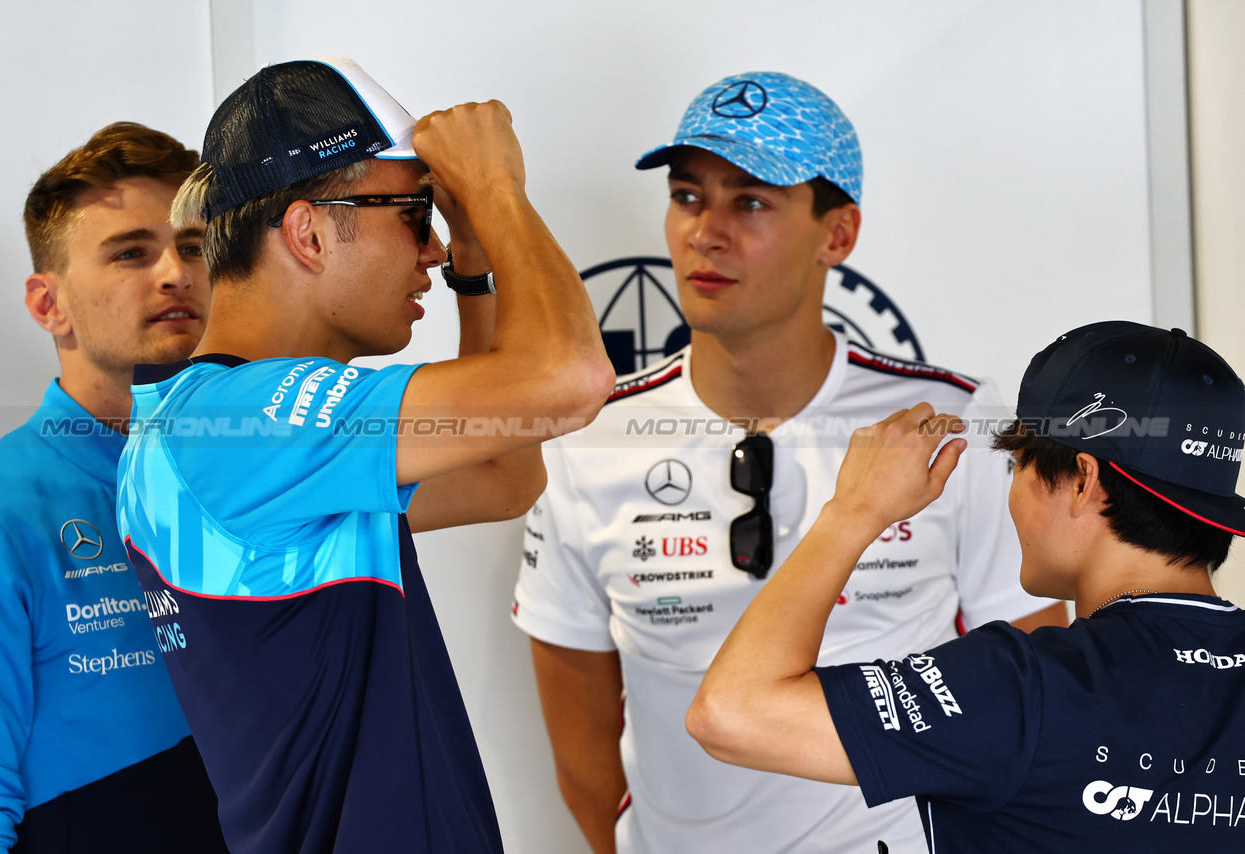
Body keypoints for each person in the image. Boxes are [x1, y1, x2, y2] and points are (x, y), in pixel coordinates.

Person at [512, 71, 1066, 854]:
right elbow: (582, 753)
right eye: (688, 195)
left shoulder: (954, 423)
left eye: (751, 201)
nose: (706, 231)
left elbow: (1030, 695)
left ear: (837, 235)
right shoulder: (587, 439)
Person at [115, 58, 613, 854]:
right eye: (415, 216)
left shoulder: (222, 425)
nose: (432, 250)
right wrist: (496, 190)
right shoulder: (240, 422)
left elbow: (503, 477)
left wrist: (476, 266)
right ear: (308, 233)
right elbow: (572, 381)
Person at [691, 321, 1245, 852]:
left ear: (1081, 481)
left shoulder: (1021, 686)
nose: (1013, 494)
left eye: (1019, 464)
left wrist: (854, 512)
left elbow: (729, 713)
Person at [0, 123, 227, 853]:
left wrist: (474, 264)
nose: (175, 272)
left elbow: (502, 479)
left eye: (193, 246)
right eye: (132, 253)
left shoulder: (247, 467)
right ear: (49, 305)